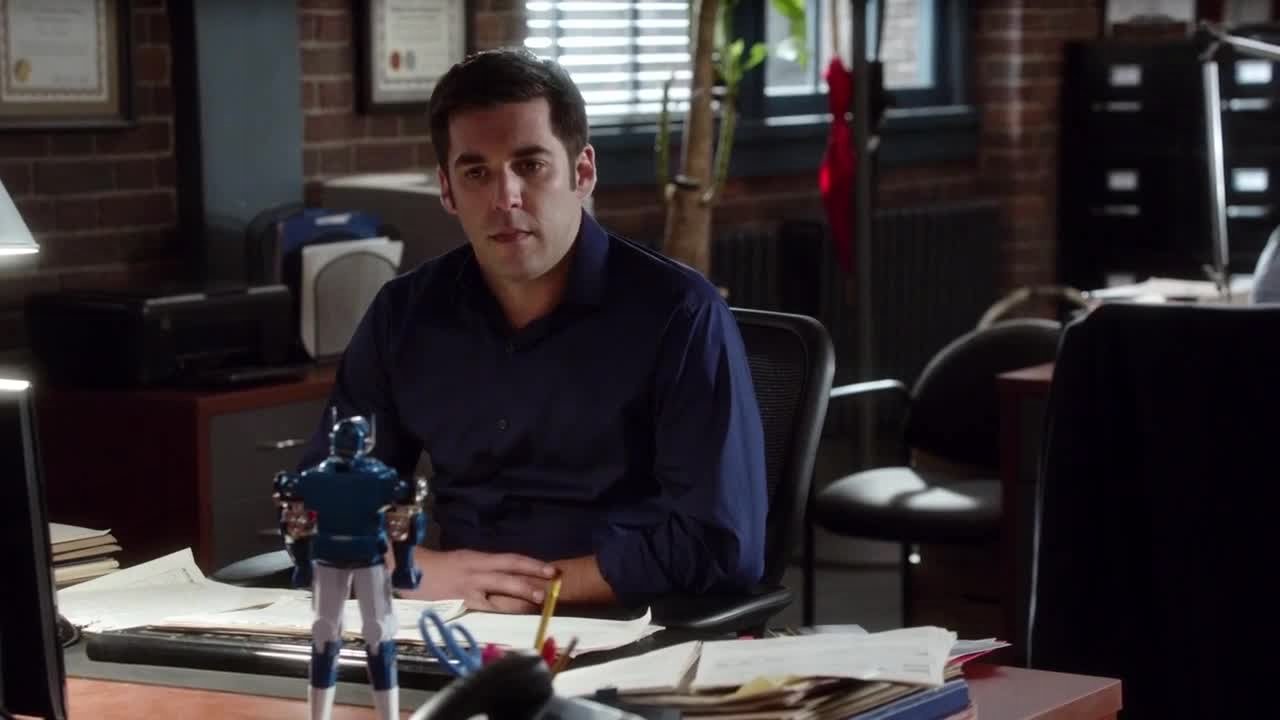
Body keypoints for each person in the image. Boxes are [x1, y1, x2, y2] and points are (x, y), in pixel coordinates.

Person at [295, 47, 767, 614]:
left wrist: (530, 590)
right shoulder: (405, 314)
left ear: (582, 172)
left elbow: (722, 545)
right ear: (447, 189)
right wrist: (417, 570)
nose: (506, 199)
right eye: (477, 173)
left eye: (531, 165)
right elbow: (317, 504)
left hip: (621, 623)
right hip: (448, 618)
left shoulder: (680, 314)